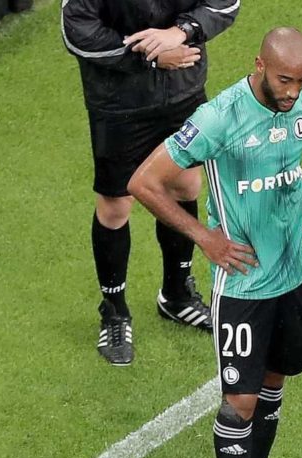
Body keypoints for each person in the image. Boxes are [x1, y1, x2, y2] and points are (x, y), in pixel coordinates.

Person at [129, 27, 302, 458]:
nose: (294, 92)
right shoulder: (219, 117)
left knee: (274, 382)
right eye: (285, 80)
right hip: (244, 284)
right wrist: (205, 237)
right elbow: (144, 182)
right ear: (260, 66)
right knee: (239, 403)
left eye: (301, 80)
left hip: (295, 270)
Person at [61, 0, 241, 366]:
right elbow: (77, 31)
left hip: (182, 91)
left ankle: (176, 294)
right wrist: (151, 57)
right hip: (118, 103)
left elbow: (226, 4)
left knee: (186, 186)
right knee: (116, 205)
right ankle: (114, 311)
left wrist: (181, 32)